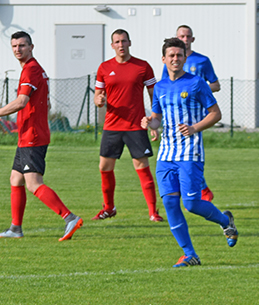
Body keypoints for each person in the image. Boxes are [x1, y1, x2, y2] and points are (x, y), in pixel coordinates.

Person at [142, 38, 238, 268]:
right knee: (170, 204)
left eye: (179, 55)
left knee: (192, 204)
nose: (175, 59)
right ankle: (189, 254)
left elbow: (216, 113)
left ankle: (226, 221)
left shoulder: (196, 83)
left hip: (190, 153)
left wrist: (194, 128)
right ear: (163, 59)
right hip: (166, 155)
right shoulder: (160, 88)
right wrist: (150, 122)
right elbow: (157, 119)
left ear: (185, 58)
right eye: (171, 55)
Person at [0, 31, 83, 241]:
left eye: (22, 45)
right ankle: (15, 228)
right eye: (15, 46)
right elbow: (45, 102)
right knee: (15, 179)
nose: (18, 49)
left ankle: (69, 217)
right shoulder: (33, 69)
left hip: (32, 136)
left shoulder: (31, 69)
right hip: (28, 135)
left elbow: (21, 102)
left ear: (31, 47)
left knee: (33, 183)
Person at [93, 29, 162, 222]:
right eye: (117, 42)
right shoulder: (104, 68)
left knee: (142, 167)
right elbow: (97, 96)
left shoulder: (142, 67)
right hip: (112, 126)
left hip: (136, 126)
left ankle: (153, 212)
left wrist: (154, 121)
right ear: (112, 45)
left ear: (129, 43)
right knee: (105, 167)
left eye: (124, 41)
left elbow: (153, 96)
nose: (121, 45)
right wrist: (99, 100)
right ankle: (108, 208)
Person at [163, 25, 220, 202]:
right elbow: (167, 86)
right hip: (176, 116)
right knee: (178, 155)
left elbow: (216, 85)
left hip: (197, 116)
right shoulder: (171, 62)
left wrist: (197, 89)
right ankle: (198, 190)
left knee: (190, 153)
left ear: (192, 39)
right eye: (182, 36)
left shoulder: (202, 60)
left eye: (188, 36)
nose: (185, 39)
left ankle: (197, 192)